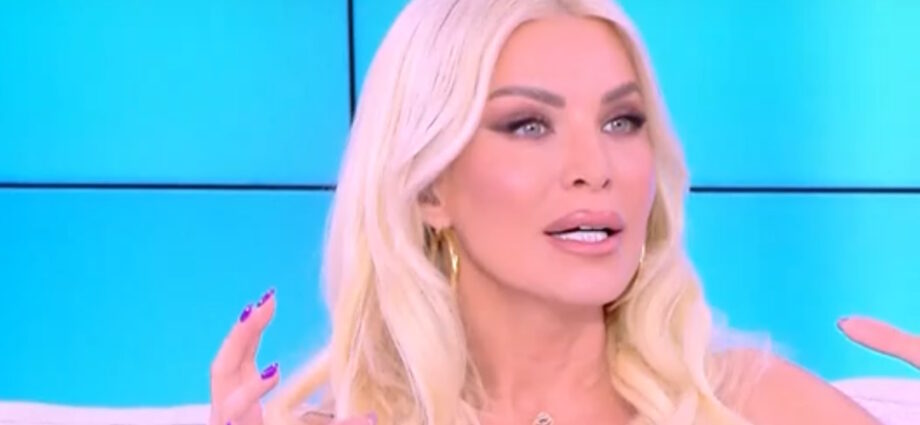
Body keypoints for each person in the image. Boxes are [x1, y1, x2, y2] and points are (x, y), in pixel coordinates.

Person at [209, 1, 914, 424]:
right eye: (528, 125)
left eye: (621, 121)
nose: (594, 166)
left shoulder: (756, 405)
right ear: (429, 189)